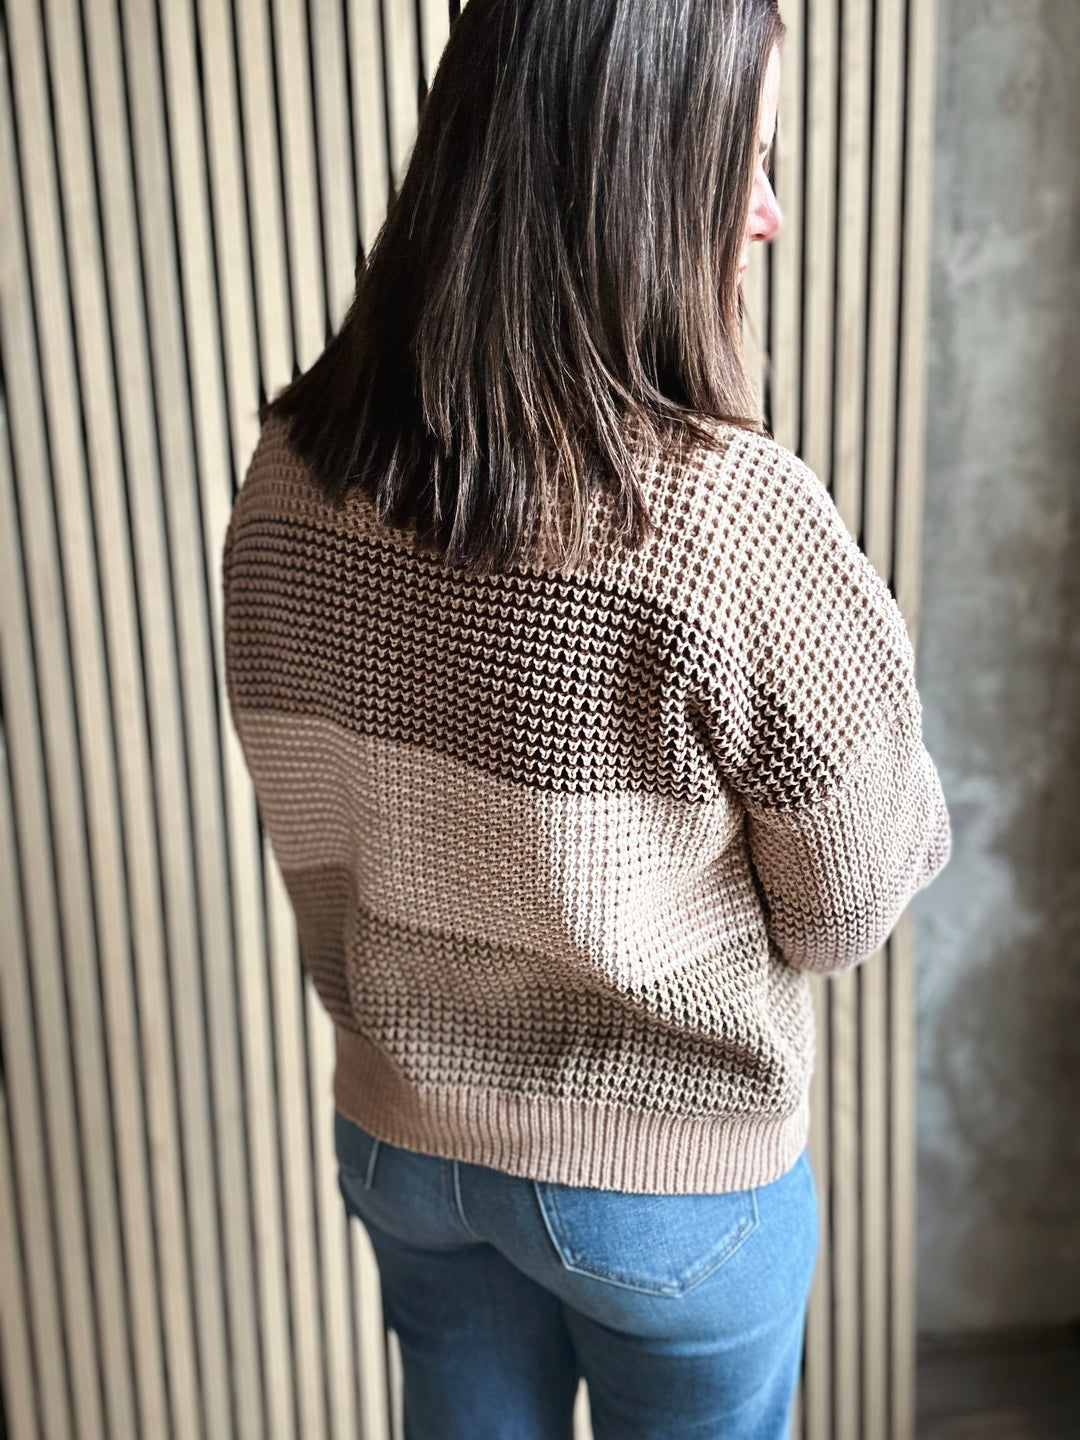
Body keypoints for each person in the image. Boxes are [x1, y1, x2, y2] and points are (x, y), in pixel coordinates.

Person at [221, 0, 952, 1435]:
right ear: (628, 180)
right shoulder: (727, 522)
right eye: (739, 161)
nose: (773, 212)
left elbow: (300, 799)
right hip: (666, 1193)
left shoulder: (291, 473)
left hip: (400, 1136)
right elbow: (847, 911)